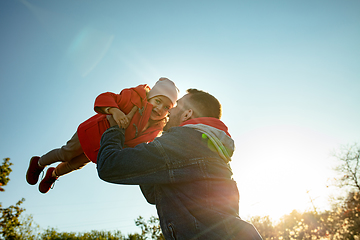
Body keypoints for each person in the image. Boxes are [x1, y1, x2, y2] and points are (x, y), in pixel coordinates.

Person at [97, 89, 263, 239]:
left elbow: (109, 165)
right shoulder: (210, 148)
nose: (170, 110)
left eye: (176, 106)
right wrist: (137, 138)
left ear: (187, 114)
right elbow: (153, 193)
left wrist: (115, 128)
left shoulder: (183, 142)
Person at [26, 78, 179, 194]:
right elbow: (106, 97)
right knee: (66, 153)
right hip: (92, 132)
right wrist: (115, 111)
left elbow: (138, 146)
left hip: (102, 147)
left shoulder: (155, 129)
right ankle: (39, 163)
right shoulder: (133, 98)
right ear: (150, 97)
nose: (160, 108)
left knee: (75, 165)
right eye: (158, 101)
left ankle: (53, 174)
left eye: (166, 107)